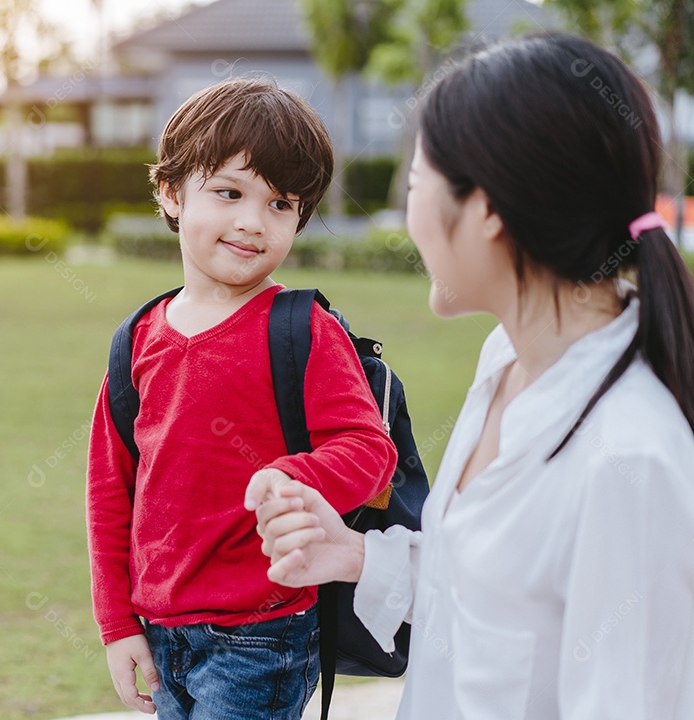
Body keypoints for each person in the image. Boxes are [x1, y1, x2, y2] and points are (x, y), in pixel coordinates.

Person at [246, 33, 694, 720]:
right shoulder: (508, 357)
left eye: (416, 185)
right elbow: (498, 597)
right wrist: (354, 555)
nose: (409, 217)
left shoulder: (629, 460)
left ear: (485, 210)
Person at [86, 77, 399, 719]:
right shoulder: (136, 340)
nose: (253, 222)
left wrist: (294, 477)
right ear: (171, 191)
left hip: (263, 635)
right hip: (162, 630)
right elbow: (110, 492)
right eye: (229, 193)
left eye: (281, 204)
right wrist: (117, 623)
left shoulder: (303, 329)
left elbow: (370, 451)